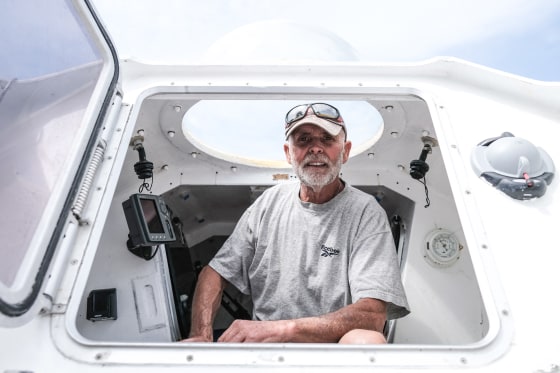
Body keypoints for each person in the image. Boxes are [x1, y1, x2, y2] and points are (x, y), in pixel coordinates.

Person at [185, 103, 409, 344]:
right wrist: (201, 335)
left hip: (332, 351)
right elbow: (214, 273)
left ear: (345, 151)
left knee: (367, 341)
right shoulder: (268, 203)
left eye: (327, 139)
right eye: (303, 140)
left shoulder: (365, 212)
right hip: (266, 352)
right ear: (288, 153)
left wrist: (283, 330)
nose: (315, 148)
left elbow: (372, 315)